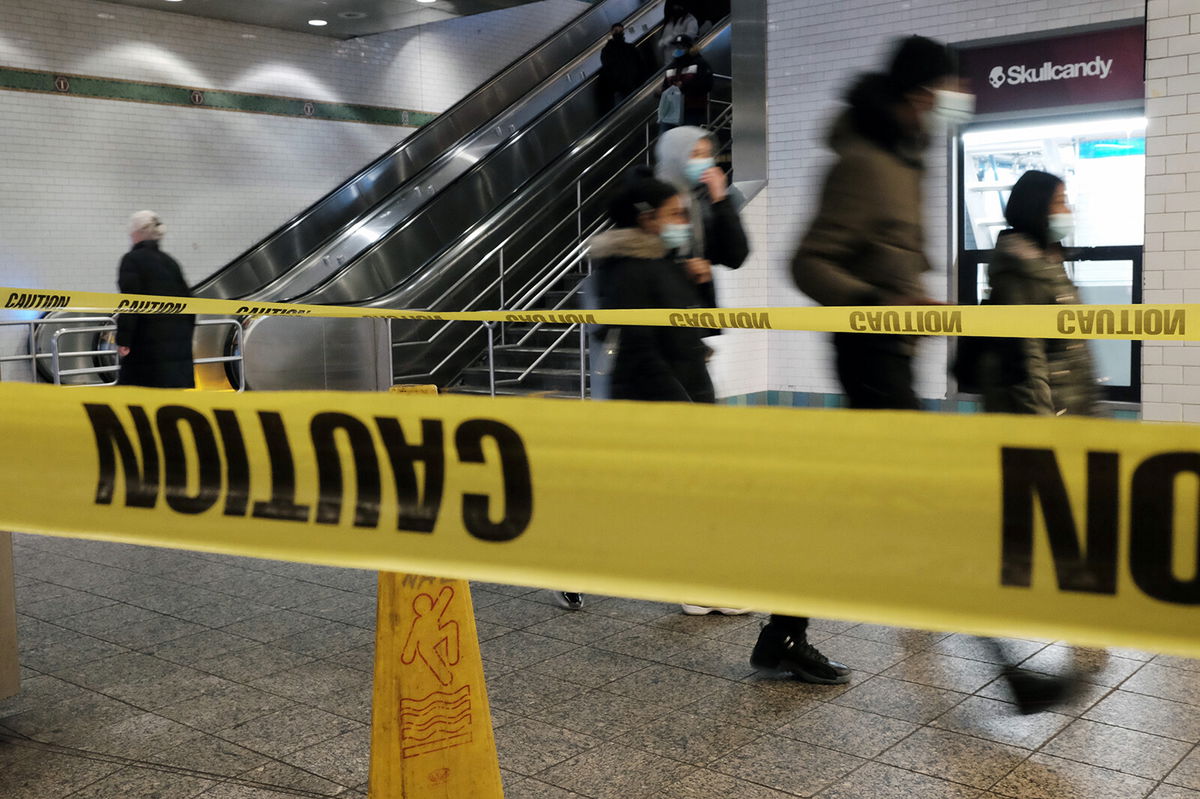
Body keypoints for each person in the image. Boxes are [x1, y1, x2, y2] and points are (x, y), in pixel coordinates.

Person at [756, 36, 974, 685]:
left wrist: (910, 297)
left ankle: (782, 630)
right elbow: (807, 262)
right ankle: (994, 650)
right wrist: (880, 301)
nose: (954, 102)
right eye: (946, 90)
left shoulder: (902, 159)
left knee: (847, 501)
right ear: (918, 94)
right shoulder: (864, 162)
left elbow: (888, 256)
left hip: (893, 353)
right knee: (905, 493)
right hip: (869, 354)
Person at [964, 169, 1105, 713]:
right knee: (1022, 525)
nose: (1066, 207)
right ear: (1034, 206)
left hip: (1069, 410)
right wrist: (1042, 425)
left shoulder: (1047, 258)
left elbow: (1068, 346)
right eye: (1059, 199)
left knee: (1040, 523)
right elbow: (1027, 355)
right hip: (1045, 415)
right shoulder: (1020, 264)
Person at [655, 126, 751, 617]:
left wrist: (721, 199)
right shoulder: (651, 199)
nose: (703, 160)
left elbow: (735, 255)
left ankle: (702, 579)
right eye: (694, 153)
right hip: (660, 352)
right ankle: (695, 581)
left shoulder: (700, 200)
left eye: (707, 153)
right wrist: (683, 272)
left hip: (690, 345)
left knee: (698, 465)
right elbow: (638, 266)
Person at [591, 171, 714, 404]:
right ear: (648, 220)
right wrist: (683, 405)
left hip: (682, 392)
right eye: (675, 214)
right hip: (660, 405)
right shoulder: (628, 271)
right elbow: (639, 352)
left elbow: (683, 323)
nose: (684, 223)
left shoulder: (662, 264)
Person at [116, 211, 196, 388]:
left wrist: (124, 340)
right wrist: (182, 335)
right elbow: (190, 304)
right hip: (176, 346)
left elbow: (131, 303)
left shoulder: (132, 260)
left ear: (137, 233)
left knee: (138, 397)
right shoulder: (170, 262)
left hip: (146, 347)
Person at [660, 36, 714, 134]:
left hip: (692, 110)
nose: (677, 50)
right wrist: (661, 92)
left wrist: (684, 86)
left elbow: (707, 85)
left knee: (688, 139)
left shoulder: (699, 64)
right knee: (666, 138)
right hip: (671, 110)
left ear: (689, 48)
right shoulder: (672, 67)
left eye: (681, 47)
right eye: (676, 47)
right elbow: (665, 86)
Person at [600, 23, 646, 109]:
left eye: (620, 31)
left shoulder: (608, 50)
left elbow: (640, 64)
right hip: (626, 87)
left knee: (624, 111)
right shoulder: (628, 48)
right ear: (611, 32)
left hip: (627, 86)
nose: (619, 33)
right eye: (616, 31)